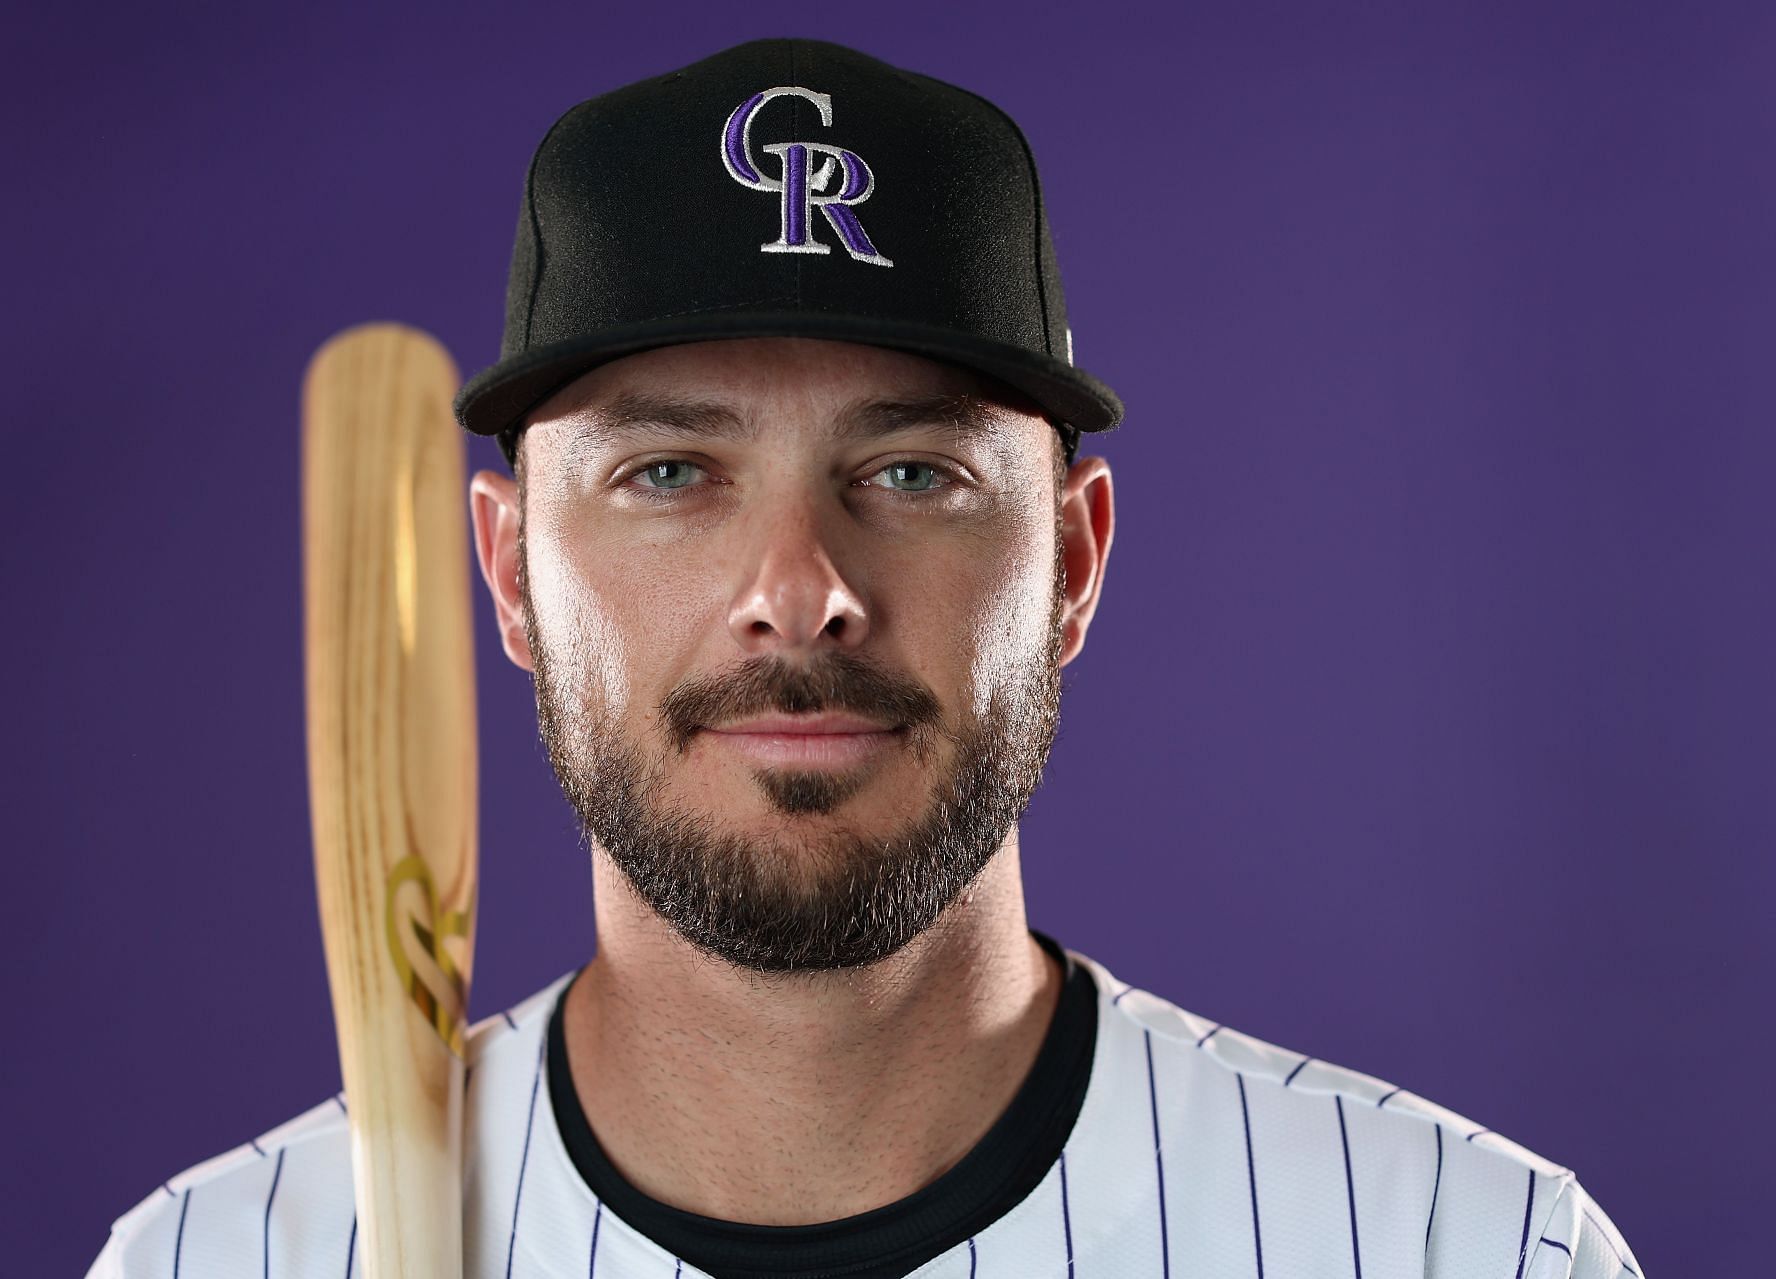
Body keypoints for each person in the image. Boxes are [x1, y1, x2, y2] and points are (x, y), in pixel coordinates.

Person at [88, 37, 1645, 1278]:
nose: (799, 591)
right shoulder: (221, 1261)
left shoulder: (1463, 1248)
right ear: (507, 572)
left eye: (913, 474)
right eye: (672, 474)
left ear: (1074, 565)